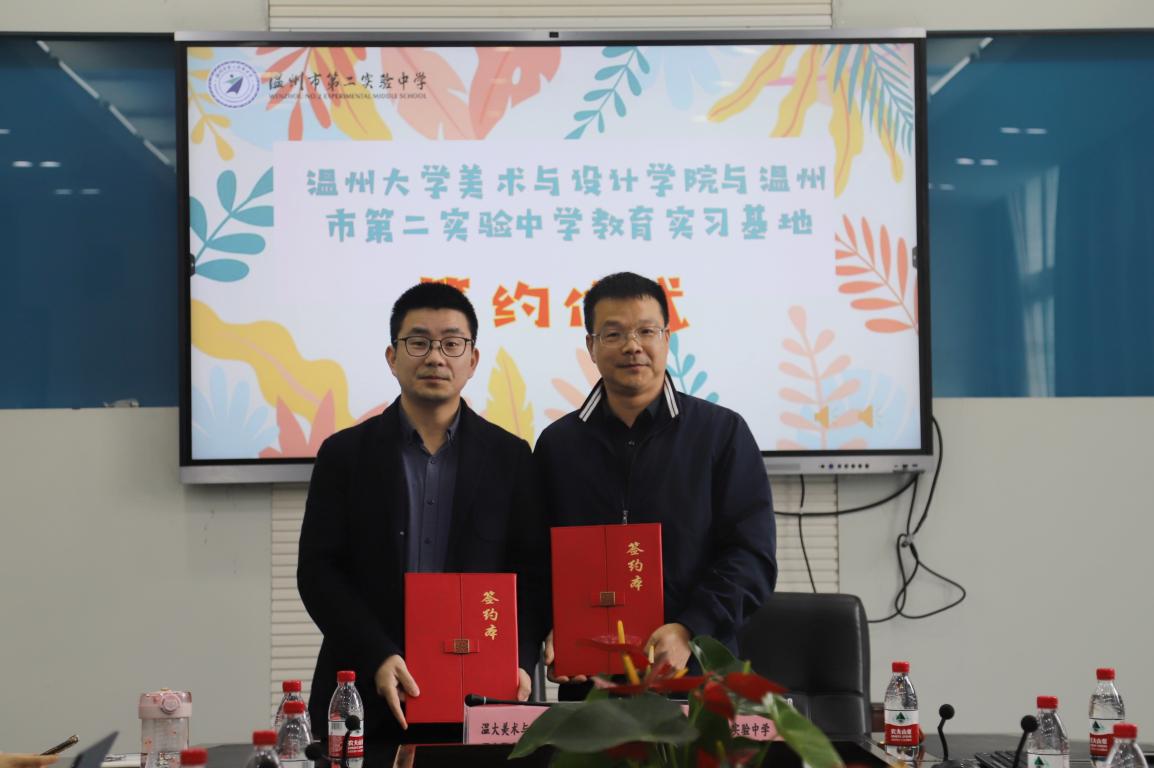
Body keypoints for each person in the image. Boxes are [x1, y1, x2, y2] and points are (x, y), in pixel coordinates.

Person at [297, 282, 546, 755]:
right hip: (365, 691)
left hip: (481, 694)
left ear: (472, 360)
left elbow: (533, 575)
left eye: (452, 343)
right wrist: (377, 654)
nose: (435, 357)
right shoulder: (344, 455)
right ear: (392, 357)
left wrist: (520, 658)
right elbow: (318, 572)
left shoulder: (511, 458)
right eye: (419, 342)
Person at [535, 271, 776, 689]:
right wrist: (551, 626)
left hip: (698, 674)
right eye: (613, 334)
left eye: (646, 331)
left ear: (667, 339)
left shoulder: (721, 433)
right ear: (591, 346)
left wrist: (690, 628)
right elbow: (536, 557)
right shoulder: (558, 445)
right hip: (593, 680)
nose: (632, 346)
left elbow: (751, 555)